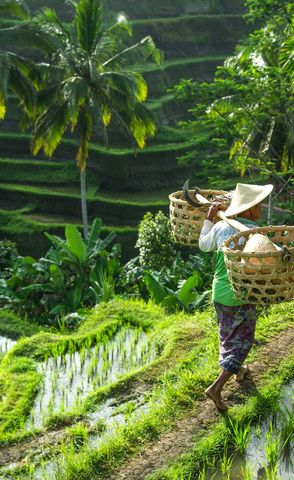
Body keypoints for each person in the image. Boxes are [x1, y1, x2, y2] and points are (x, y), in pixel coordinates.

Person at [199, 183, 273, 412]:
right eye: (258, 204)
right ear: (249, 209)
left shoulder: (222, 226)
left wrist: (209, 219)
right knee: (243, 342)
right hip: (240, 295)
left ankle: (238, 371)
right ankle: (216, 388)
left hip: (219, 292)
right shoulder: (255, 234)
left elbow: (203, 245)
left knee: (227, 335)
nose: (261, 207)